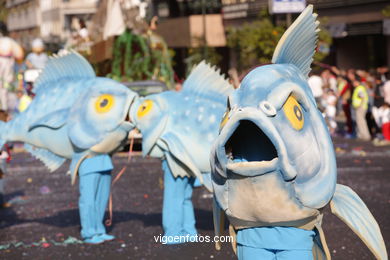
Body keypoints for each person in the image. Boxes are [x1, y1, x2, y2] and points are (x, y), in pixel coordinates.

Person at [78, 154, 115, 244]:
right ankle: (89, 233)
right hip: (88, 163)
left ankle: (99, 230)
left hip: (105, 163)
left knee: (101, 199)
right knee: (88, 200)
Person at [0, 22, 24, 110]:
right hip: (7, 69)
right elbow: (19, 55)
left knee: (5, 88)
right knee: (5, 88)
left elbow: (19, 55)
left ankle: (4, 108)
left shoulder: (7, 41)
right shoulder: (8, 41)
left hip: (7, 70)